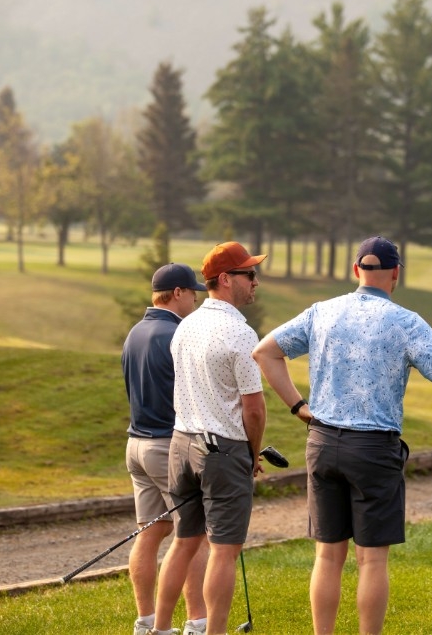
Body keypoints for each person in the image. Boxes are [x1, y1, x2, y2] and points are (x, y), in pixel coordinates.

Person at [251, 236, 432, 635]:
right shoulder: (405, 322)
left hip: (322, 444)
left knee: (327, 556)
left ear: (356, 270)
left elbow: (265, 351)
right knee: (371, 560)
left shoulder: (322, 312)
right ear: (396, 275)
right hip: (373, 450)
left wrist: (299, 407)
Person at [151, 242, 270, 635]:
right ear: (225, 279)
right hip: (222, 450)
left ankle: (160, 628)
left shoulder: (185, 326)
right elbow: (254, 409)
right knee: (223, 550)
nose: (255, 281)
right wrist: (253, 453)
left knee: (184, 541)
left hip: (181, 444)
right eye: (249, 274)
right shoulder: (241, 333)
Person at [122, 263, 211, 635]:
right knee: (194, 535)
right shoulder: (177, 335)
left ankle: (145, 623)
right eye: (192, 293)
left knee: (151, 531)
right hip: (166, 446)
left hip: (136, 445)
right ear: (177, 293)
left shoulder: (135, 333)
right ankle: (198, 621)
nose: (195, 300)